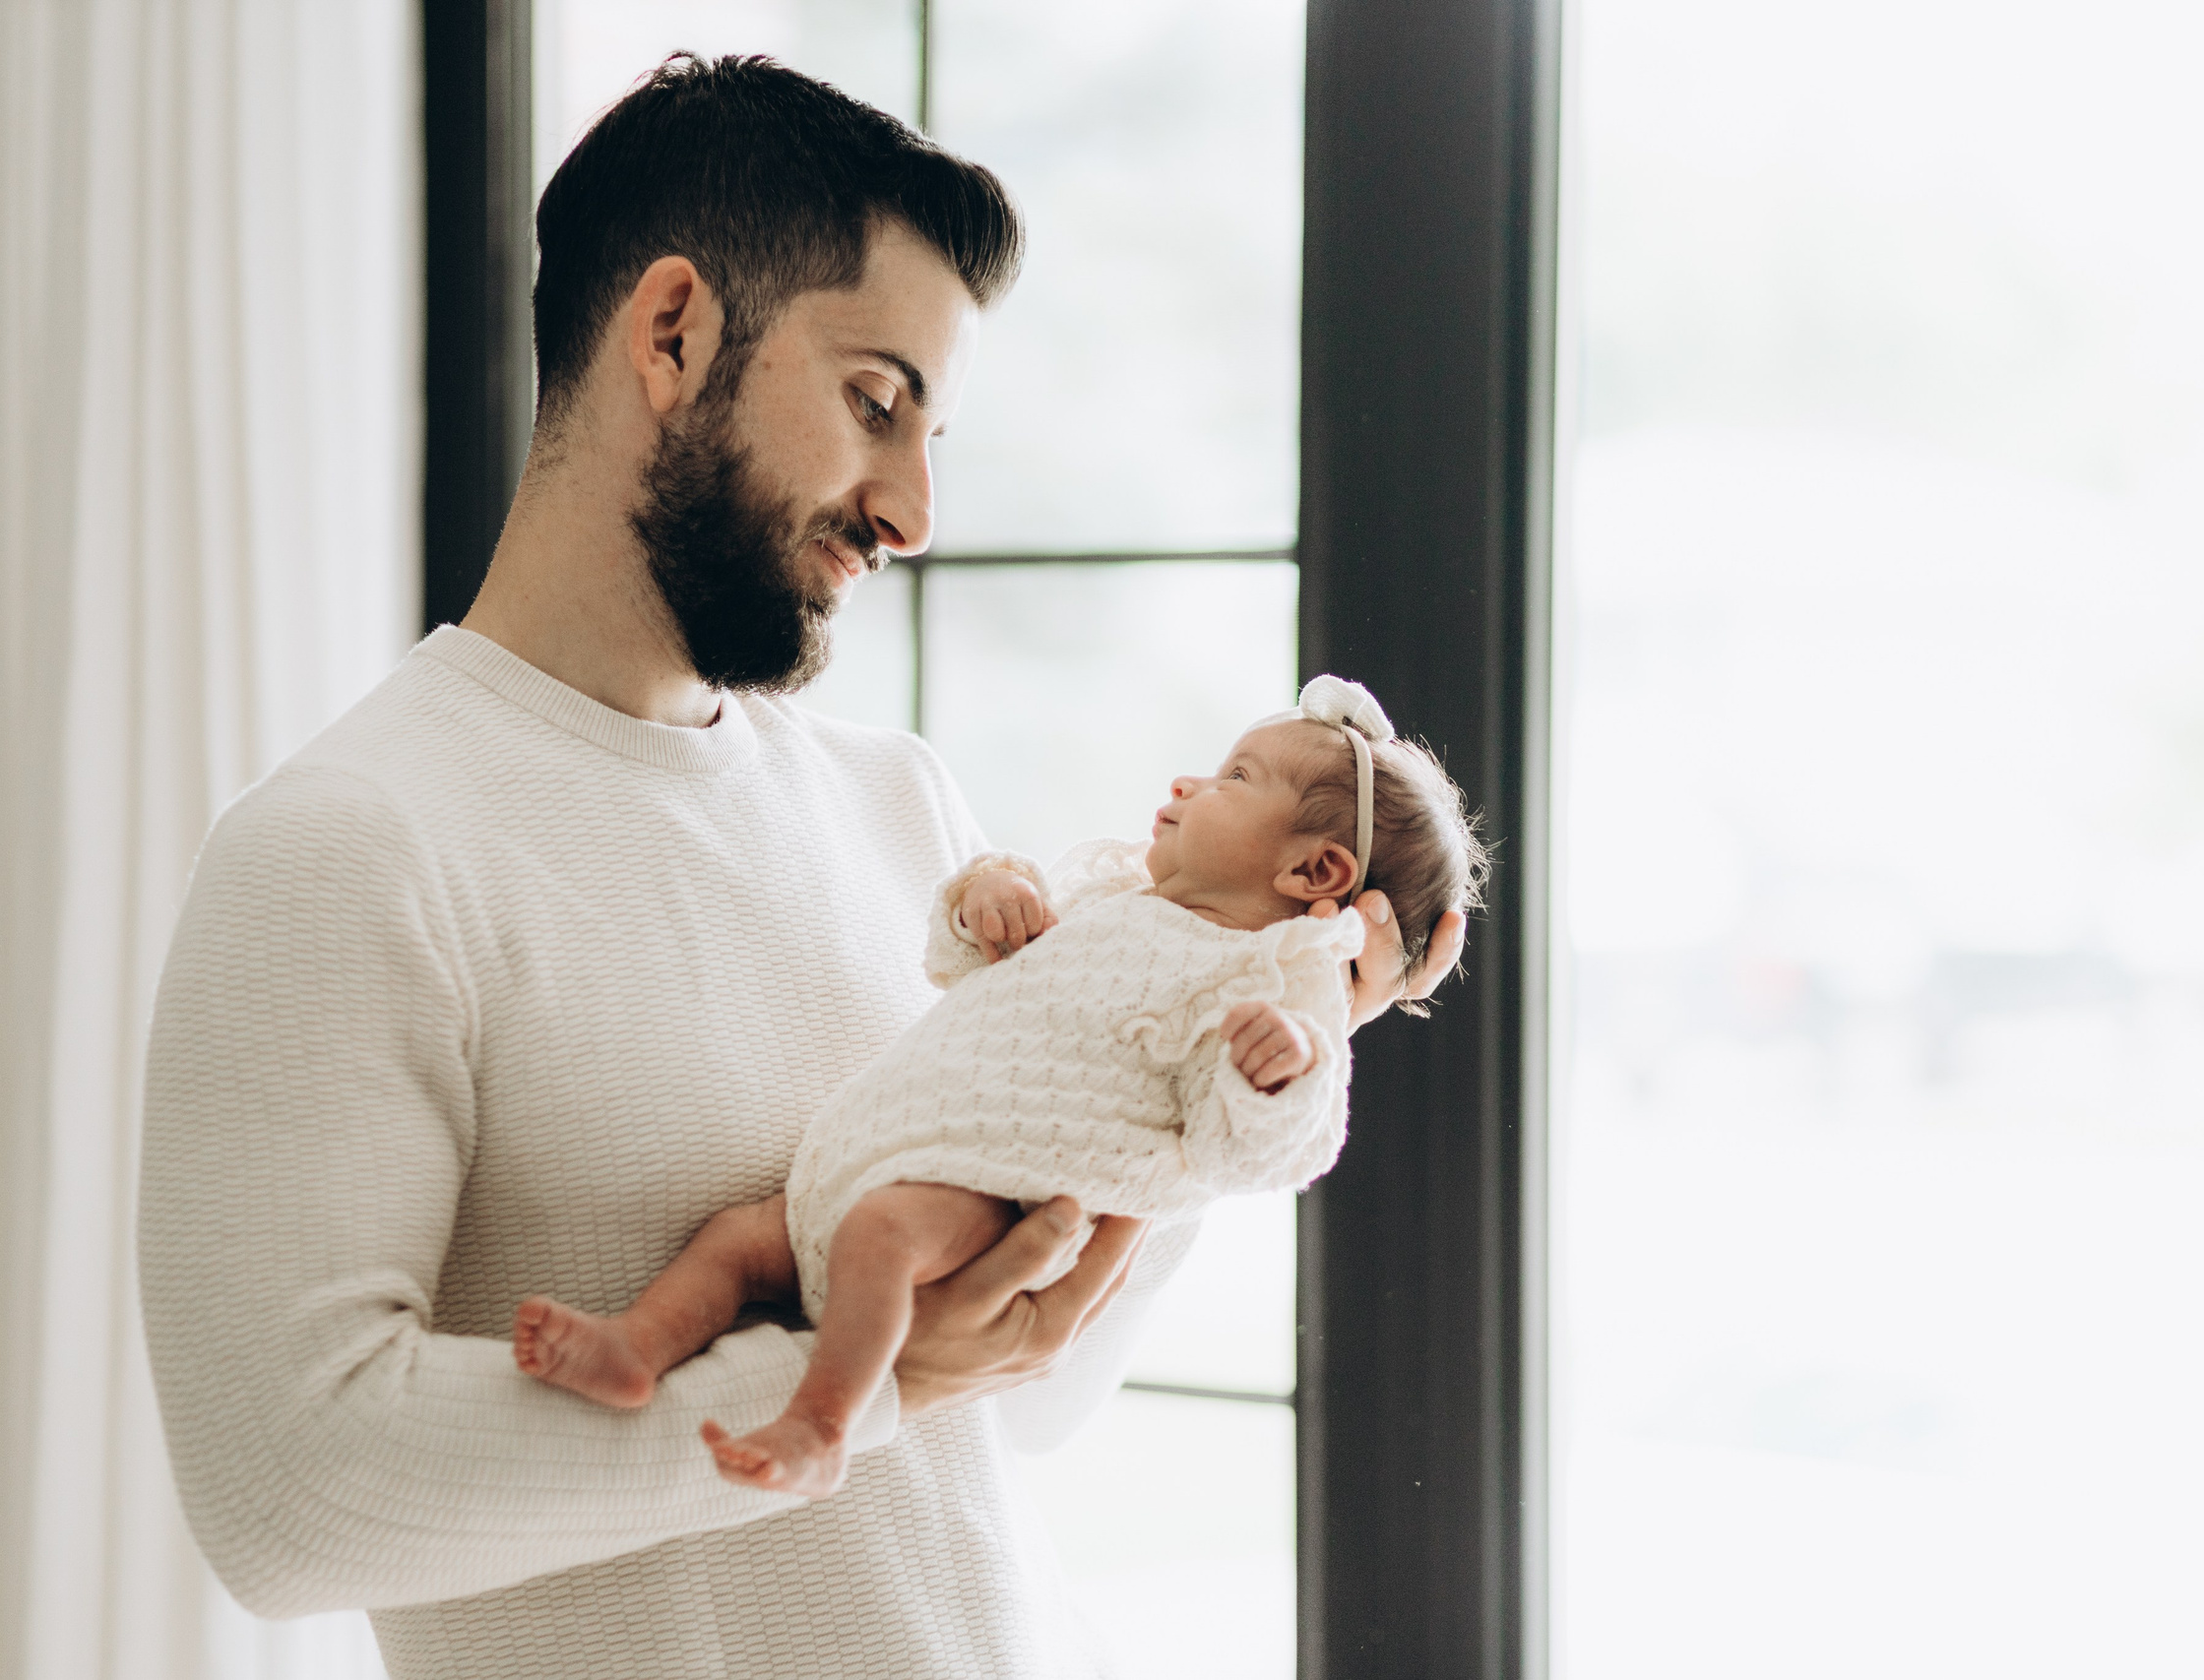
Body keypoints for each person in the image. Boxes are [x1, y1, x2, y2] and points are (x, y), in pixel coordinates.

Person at [136, 53, 1466, 1680]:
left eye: (934, 429)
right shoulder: (345, 850)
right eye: (876, 403)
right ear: (676, 331)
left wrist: (1266, 997)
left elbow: (1029, 1396)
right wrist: (862, 1385)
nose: (912, 506)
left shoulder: (905, 804)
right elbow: (289, 1495)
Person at [513, 675, 1488, 1500]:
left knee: (879, 1240)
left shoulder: (1262, 987)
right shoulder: (1114, 898)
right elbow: (977, 969)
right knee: (735, 1239)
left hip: (988, 1195)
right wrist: (986, 902)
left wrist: (1281, 1066)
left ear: (1311, 867)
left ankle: (818, 1422)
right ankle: (637, 1348)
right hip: (869, 1159)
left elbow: (1238, 1153)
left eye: (1234, 777)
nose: (1189, 780)